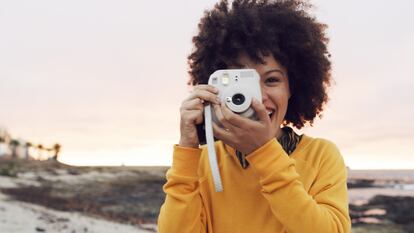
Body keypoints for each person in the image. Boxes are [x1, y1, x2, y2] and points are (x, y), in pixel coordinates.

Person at [157, 0, 351, 232]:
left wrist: (263, 153)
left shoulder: (321, 156)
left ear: (293, 88)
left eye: (272, 80)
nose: (257, 98)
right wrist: (187, 151)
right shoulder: (204, 162)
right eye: (241, 83)